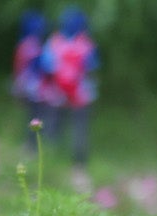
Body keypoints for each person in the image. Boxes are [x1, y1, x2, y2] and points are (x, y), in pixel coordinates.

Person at [38, 6, 96, 167]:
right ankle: (79, 163)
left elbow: (46, 67)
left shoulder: (54, 41)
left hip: (57, 92)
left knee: (52, 125)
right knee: (80, 129)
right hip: (81, 94)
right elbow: (91, 67)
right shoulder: (86, 43)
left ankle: (48, 158)